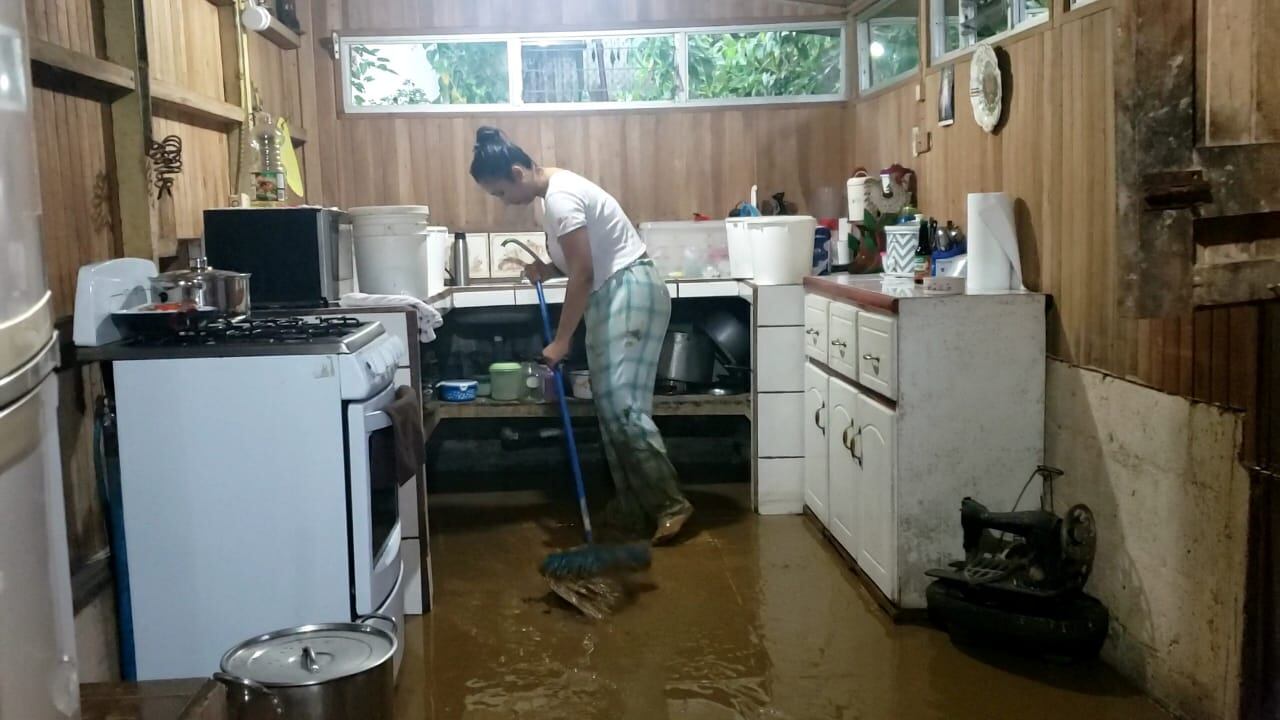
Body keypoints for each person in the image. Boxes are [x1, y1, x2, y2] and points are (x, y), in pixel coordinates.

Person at [469, 126, 693, 545]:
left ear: (517, 173)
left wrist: (561, 339)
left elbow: (585, 273)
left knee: (624, 407)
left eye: (500, 192)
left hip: (630, 288)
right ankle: (631, 506)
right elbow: (578, 261)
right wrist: (546, 269)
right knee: (610, 410)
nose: (503, 203)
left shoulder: (560, 198)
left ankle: (670, 503)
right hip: (611, 294)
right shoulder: (551, 199)